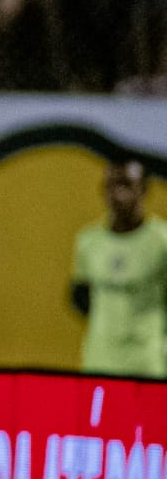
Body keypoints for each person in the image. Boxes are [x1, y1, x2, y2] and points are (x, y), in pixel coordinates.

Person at [70, 157, 167, 379]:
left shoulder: (162, 241)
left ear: (143, 190)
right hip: (99, 361)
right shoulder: (88, 241)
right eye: (111, 186)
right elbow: (79, 296)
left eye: (126, 185)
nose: (118, 194)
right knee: (98, 415)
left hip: (149, 362)